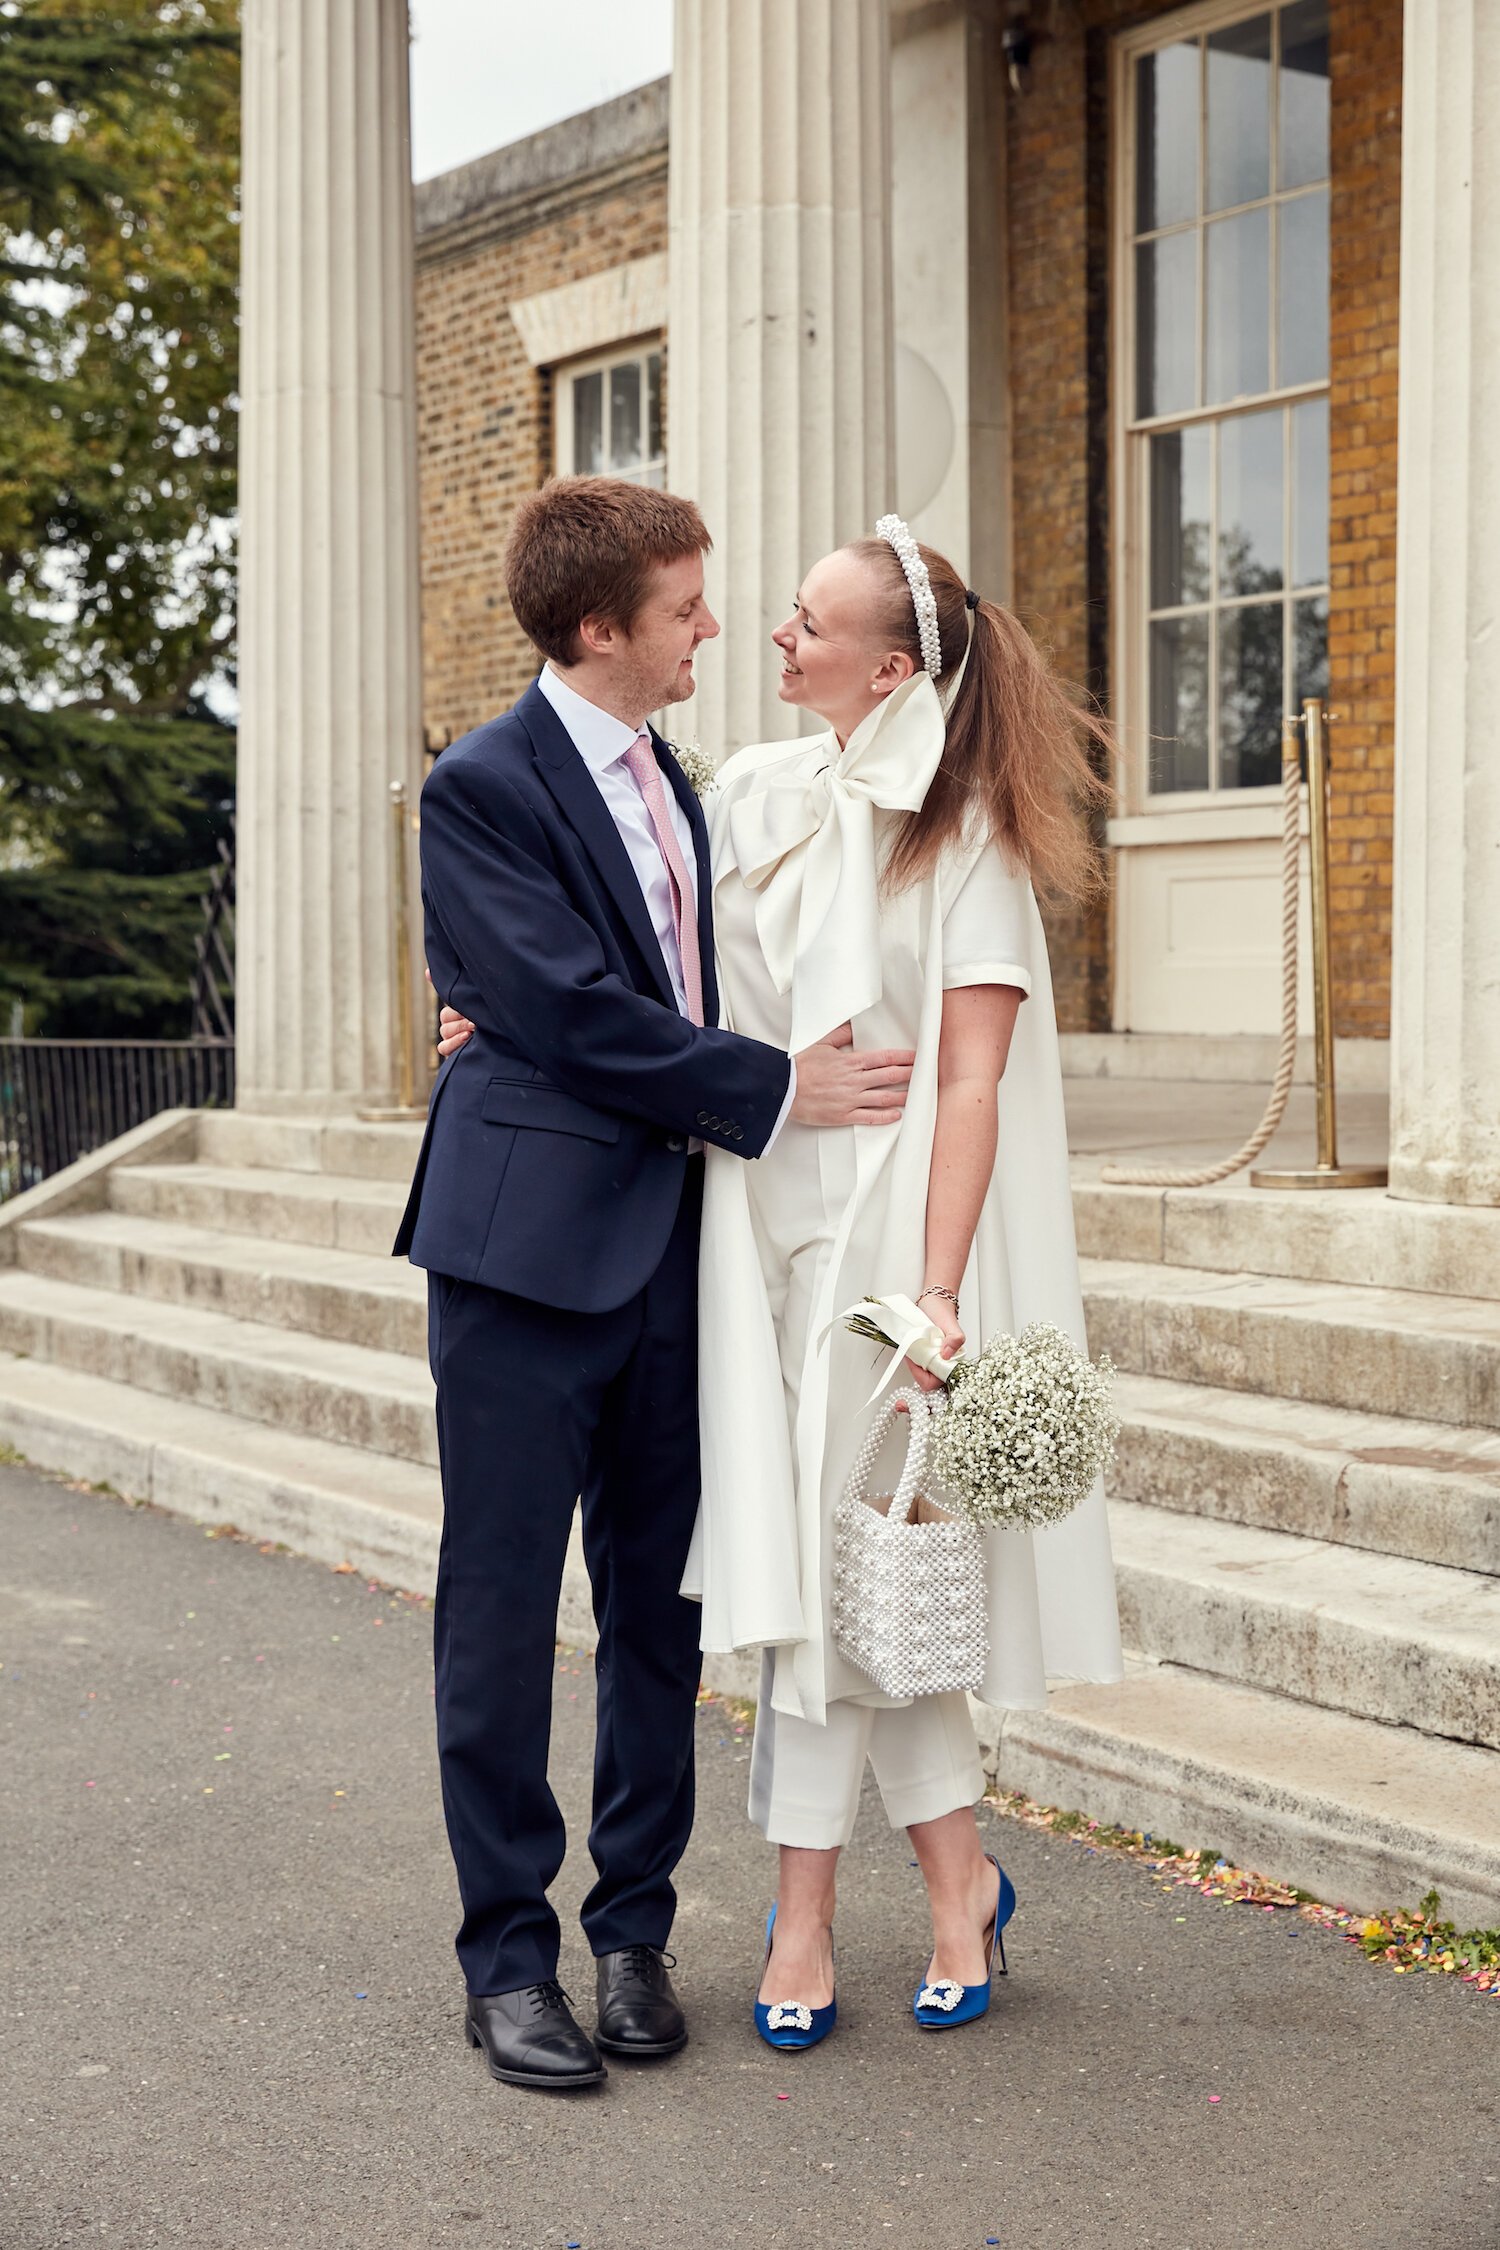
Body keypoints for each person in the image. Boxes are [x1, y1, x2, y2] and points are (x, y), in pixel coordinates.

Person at [439, 510, 1124, 2050]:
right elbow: (638, 971)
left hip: (890, 1256)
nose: (763, 634)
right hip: (744, 1242)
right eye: (739, 611)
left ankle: (808, 1914)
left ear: (890, 664)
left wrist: (942, 1294)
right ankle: (942, 1889)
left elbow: (969, 1087)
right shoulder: (737, 788)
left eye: (804, 619)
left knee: (840, 1593)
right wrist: (502, 1008)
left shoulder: (968, 841)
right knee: (801, 1594)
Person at [394, 476, 916, 2095]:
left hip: (675, 1253)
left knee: (654, 1612)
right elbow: (564, 1006)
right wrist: (767, 1088)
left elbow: (667, 969)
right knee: (497, 1608)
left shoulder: (686, 783)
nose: (713, 628)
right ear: (603, 626)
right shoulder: (479, 785)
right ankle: (507, 1958)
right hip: (521, 1250)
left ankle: (631, 1932)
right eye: (688, 608)